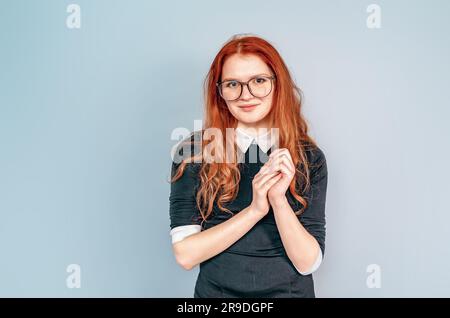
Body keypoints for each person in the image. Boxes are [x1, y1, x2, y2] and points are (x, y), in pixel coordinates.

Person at [168, 34, 328, 298]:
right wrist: (254, 210)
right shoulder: (193, 153)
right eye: (233, 84)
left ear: (278, 85)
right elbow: (186, 255)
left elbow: (308, 262)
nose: (246, 95)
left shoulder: (309, 158)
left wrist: (278, 201)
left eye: (259, 81)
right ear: (220, 92)